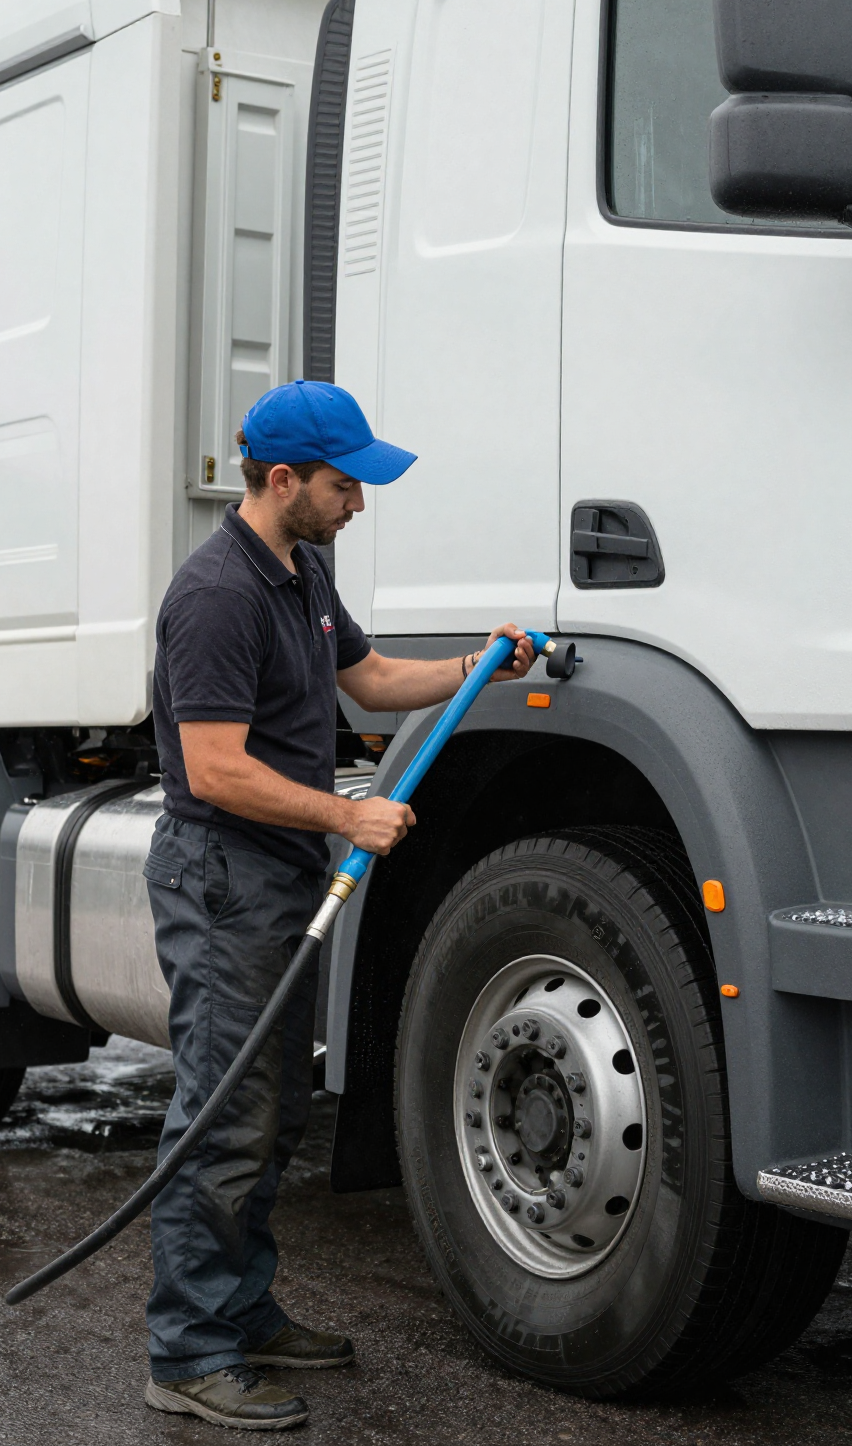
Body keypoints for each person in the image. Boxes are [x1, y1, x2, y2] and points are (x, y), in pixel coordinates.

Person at [142, 379, 537, 1430]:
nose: (358, 501)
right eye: (343, 483)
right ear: (284, 481)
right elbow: (215, 769)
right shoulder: (218, 595)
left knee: (274, 1112)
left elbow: (364, 678)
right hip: (221, 874)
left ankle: (242, 1309)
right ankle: (186, 1352)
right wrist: (343, 815)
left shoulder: (301, 570)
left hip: (273, 873)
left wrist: (474, 667)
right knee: (225, 1115)